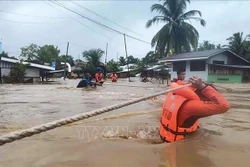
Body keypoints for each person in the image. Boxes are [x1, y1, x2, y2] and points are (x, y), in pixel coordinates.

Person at [160, 76, 230, 143]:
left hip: (165, 136)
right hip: (178, 145)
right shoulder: (191, 106)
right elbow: (223, 106)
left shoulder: (178, 95)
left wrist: (200, 85)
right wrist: (202, 86)